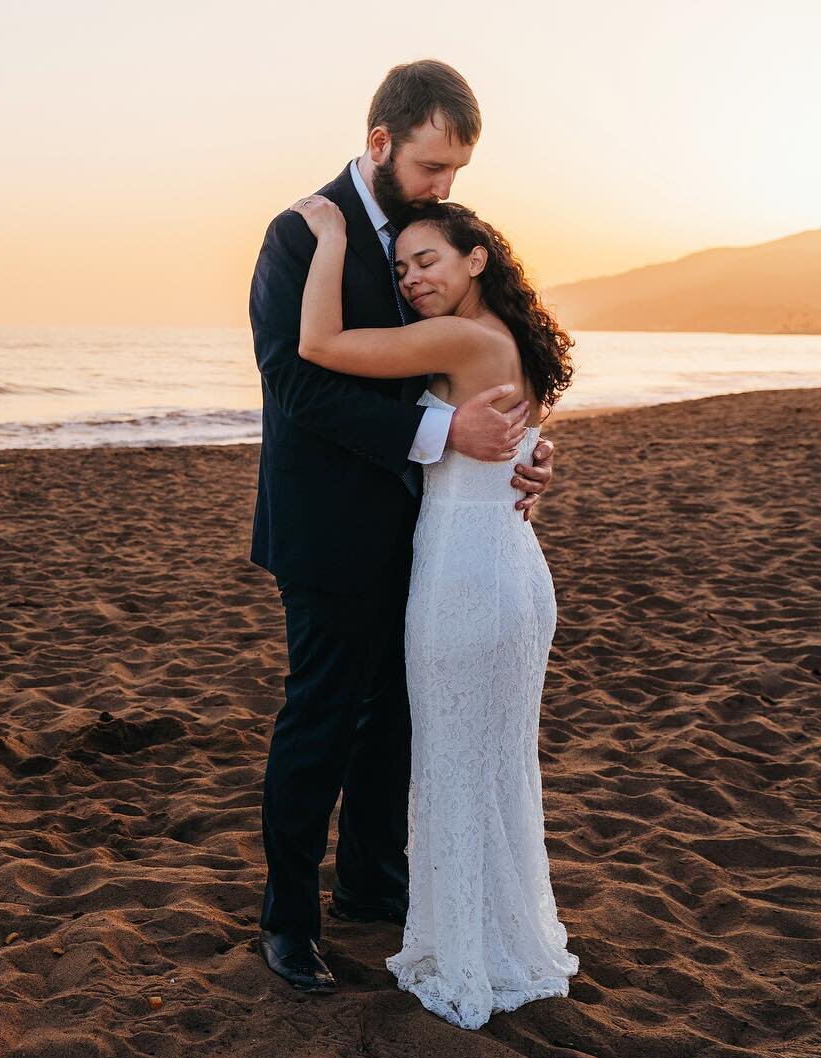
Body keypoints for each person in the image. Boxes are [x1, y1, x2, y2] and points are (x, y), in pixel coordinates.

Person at [248, 59, 556, 995]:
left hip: (433, 535)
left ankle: (372, 885)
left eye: (456, 172)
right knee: (325, 718)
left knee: (402, 723)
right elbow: (298, 380)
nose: (445, 189)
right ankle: (288, 918)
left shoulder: (435, 243)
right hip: (332, 527)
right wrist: (443, 432)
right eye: (432, 168)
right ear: (381, 142)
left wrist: (519, 451)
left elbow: (488, 371)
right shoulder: (300, 232)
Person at [287, 192, 581, 1027]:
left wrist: (335, 233)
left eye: (429, 262)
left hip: (468, 576)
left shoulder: (462, 337)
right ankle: (499, 942)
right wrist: (540, 460)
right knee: (492, 768)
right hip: (513, 570)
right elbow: (524, 451)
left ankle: (470, 956)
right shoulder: (515, 340)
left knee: (459, 764)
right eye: (403, 266)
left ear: (475, 258)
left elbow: (317, 346)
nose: (413, 280)